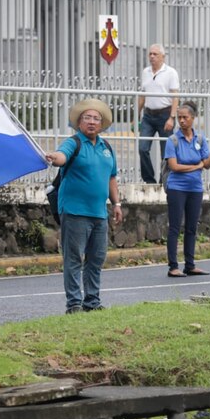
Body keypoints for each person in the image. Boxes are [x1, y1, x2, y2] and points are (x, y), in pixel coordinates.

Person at [45, 98, 123, 314]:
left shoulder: (106, 147)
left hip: (99, 213)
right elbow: (62, 157)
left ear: (101, 124)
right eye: (87, 118)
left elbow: (111, 178)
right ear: (79, 123)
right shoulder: (73, 143)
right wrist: (54, 157)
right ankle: (74, 304)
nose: (91, 122)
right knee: (73, 259)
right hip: (74, 211)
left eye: (96, 119)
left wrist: (116, 203)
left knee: (96, 259)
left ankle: (92, 301)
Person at [163, 101, 210, 278]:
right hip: (176, 187)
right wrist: (195, 166)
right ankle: (173, 266)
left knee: (191, 227)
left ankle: (190, 264)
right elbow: (174, 166)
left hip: (195, 188)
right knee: (174, 227)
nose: (181, 121)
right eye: (179, 117)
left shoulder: (200, 139)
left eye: (185, 117)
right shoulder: (172, 140)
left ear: (193, 118)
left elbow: (207, 164)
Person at [137, 43, 180, 184]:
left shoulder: (171, 72)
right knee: (142, 148)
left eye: (155, 54)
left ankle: (164, 180)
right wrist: (136, 114)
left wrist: (172, 118)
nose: (152, 56)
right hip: (148, 115)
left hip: (165, 115)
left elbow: (175, 96)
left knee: (166, 152)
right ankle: (149, 181)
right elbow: (143, 95)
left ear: (163, 56)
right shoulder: (145, 72)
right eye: (150, 54)